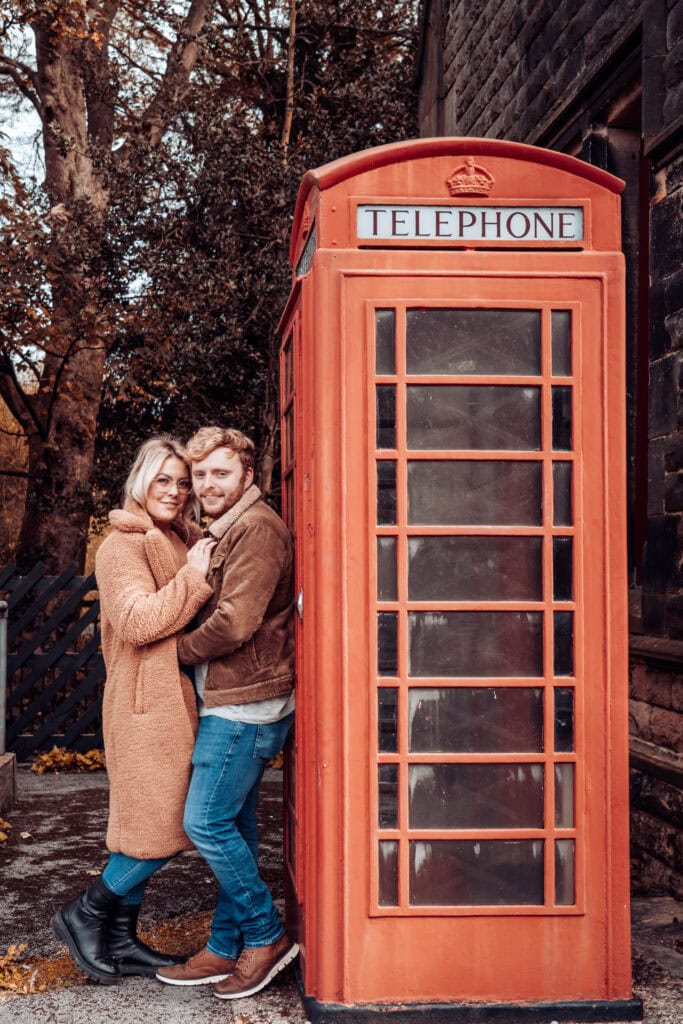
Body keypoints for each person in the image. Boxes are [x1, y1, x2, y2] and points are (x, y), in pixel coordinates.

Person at [52, 436, 216, 983]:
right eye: (163, 479)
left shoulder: (178, 538)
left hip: (177, 701)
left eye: (183, 481)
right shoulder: (119, 547)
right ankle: (85, 913)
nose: (175, 490)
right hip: (145, 706)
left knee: (147, 825)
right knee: (165, 824)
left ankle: (120, 939)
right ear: (140, 481)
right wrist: (194, 578)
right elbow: (138, 621)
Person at [155, 426, 298, 1000]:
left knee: (204, 822)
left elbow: (236, 622)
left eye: (221, 473)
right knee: (232, 822)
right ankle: (224, 943)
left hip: (248, 702)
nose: (208, 484)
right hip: (231, 695)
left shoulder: (257, 530)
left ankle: (265, 935)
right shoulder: (228, 529)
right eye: (202, 476)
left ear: (245, 475)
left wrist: (177, 651)